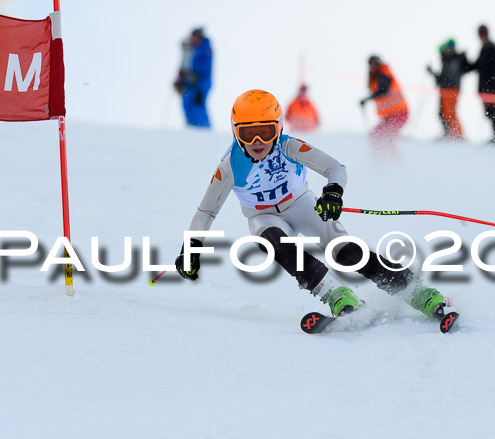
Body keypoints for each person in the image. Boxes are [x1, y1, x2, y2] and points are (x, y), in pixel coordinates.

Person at [175, 89, 452, 322]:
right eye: (249, 134)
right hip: (264, 217)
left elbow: (335, 168)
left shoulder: (288, 146)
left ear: (279, 128)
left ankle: (416, 291)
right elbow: (206, 211)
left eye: (266, 132)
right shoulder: (230, 166)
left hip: (301, 204)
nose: (258, 142)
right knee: (274, 243)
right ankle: (337, 295)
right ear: (236, 133)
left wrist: (333, 193)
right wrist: (191, 249)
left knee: (343, 251)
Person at [360, 56, 409, 158]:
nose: (371, 67)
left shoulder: (384, 73)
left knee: (387, 139)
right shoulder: (376, 76)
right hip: (389, 116)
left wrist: (367, 99)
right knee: (374, 136)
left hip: (399, 113)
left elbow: (384, 90)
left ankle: (396, 164)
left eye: (373, 64)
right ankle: (380, 162)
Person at [466, 25, 495, 145]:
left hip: (490, 86)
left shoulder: (491, 47)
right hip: (484, 87)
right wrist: (464, 62)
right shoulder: (484, 48)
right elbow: (476, 66)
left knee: (493, 111)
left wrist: (489, 84)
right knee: (489, 112)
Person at [427, 38, 469, 140]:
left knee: (450, 113)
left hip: (452, 89)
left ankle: (458, 135)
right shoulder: (447, 61)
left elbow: (449, 76)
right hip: (445, 90)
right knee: (443, 113)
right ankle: (449, 133)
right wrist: (432, 73)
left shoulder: (456, 60)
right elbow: (441, 79)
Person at [174, 27, 212, 128]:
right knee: (187, 104)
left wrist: (196, 79)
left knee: (198, 104)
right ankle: (191, 127)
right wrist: (180, 80)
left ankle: (204, 128)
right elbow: (183, 65)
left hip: (201, 83)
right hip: (189, 83)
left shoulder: (204, 50)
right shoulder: (189, 49)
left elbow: (205, 69)